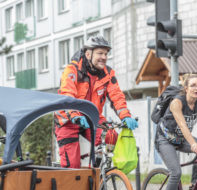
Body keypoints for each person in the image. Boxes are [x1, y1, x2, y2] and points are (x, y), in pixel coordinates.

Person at [54, 35, 138, 168]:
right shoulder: (72, 70)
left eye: (106, 54)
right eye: (100, 53)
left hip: (92, 117)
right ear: (88, 54)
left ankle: (98, 168)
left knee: (111, 135)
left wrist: (125, 116)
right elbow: (67, 94)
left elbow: (116, 96)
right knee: (72, 166)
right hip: (68, 119)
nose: (104, 57)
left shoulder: (107, 73)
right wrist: (75, 115)